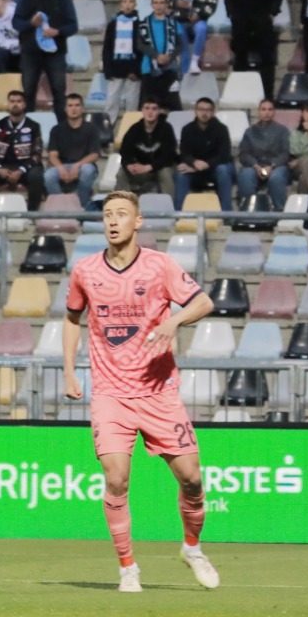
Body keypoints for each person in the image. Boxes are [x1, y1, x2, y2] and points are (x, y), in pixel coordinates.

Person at [62, 190, 219, 593]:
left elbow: (204, 303)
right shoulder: (85, 271)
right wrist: (69, 371)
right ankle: (128, 568)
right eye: (107, 214)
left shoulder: (159, 265)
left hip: (159, 393)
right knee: (116, 478)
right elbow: (72, 319)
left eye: (121, 214)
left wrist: (175, 321)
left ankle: (192, 548)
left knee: (192, 479)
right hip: (111, 394)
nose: (113, 221)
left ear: (138, 222)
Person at [46, 93, 107, 206]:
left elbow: (94, 155)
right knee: (48, 176)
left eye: (77, 105)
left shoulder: (92, 129)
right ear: (65, 109)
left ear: (82, 108)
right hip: (63, 165)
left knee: (87, 171)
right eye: (70, 105)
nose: (73, 109)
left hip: (84, 165)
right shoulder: (56, 129)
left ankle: (82, 205)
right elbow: (52, 155)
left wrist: (77, 165)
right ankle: (61, 206)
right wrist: (60, 167)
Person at [0, 88, 45, 208]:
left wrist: (21, 170)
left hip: (26, 169)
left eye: (19, 101)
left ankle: (32, 213)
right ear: (8, 104)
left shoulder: (34, 126)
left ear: (24, 105)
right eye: (12, 101)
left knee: (36, 176)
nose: (15, 104)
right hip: (3, 168)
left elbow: (37, 154)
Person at [174, 98, 234, 209]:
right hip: (194, 168)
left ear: (213, 112)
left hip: (215, 168)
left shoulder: (222, 129)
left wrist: (205, 165)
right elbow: (184, 153)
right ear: (195, 111)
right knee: (181, 174)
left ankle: (227, 214)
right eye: (201, 109)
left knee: (223, 170)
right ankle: (178, 213)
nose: (204, 113)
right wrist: (194, 163)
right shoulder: (187, 129)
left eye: (208, 110)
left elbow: (224, 155)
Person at [233, 98, 291, 213]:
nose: (267, 112)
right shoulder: (249, 131)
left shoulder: (282, 131)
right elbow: (244, 154)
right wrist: (256, 166)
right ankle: (247, 211)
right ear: (258, 112)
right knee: (246, 176)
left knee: (276, 179)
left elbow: (286, 153)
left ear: (274, 112)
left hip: (276, 166)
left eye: (270, 109)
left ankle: (279, 213)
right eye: (263, 109)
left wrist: (271, 166)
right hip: (254, 166)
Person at [118, 99, 179, 199]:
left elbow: (169, 155)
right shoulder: (134, 129)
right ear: (142, 110)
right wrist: (128, 164)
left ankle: (169, 206)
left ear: (159, 111)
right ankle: (124, 205)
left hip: (161, 167)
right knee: (121, 173)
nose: (150, 112)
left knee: (165, 173)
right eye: (147, 108)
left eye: (154, 109)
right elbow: (125, 152)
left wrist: (150, 166)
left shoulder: (166, 128)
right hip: (141, 169)